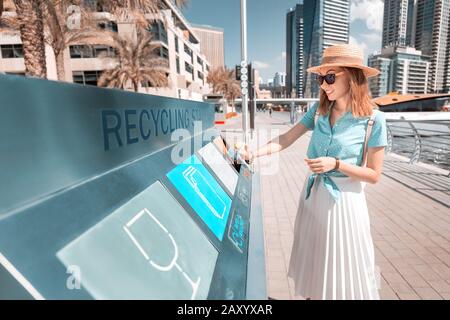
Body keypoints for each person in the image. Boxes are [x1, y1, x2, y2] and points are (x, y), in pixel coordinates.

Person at [239, 44, 387, 300]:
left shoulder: (374, 119)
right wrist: (253, 153)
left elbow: (374, 174)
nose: (323, 84)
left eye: (330, 77)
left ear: (352, 76)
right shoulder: (319, 111)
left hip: (345, 205)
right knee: (316, 267)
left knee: (342, 273)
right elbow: (286, 138)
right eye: (321, 78)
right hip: (314, 197)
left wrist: (336, 164)